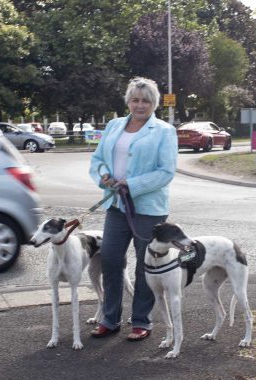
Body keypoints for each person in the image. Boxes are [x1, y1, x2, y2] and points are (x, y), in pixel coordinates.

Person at [89, 77, 178, 341]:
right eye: (135, 99)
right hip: (116, 205)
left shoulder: (163, 131)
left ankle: (141, 320)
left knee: (145, 266)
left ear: (155, 104)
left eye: (146, 100)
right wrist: (104, 176)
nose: (140, 105)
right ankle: (110, 318)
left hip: (149, 209)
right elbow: (98, 160)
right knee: (111, 261)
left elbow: (166, 172)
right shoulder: (114, 125)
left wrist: (132, 184)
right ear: (128, 101)